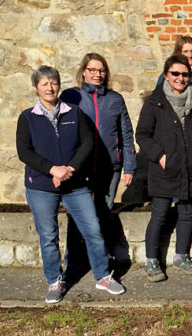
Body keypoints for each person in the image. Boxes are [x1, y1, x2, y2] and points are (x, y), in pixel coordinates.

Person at [16, 66, 125, 303]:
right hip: (41, 186)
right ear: (36, 88)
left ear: (59, 85)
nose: (50, 87)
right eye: (44, 84)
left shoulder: (74, 113)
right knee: (48, 235)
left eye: (53, 82)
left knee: (93, 230)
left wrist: (69, 169)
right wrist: (52, 169)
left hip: (75, 184)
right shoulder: (27, 117)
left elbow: (88, 143)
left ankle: (103, 275)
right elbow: (24, 151)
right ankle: (55, 280)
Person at [136, 54, 192, 282]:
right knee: (160, 215)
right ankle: (152, 260)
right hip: (165, 169)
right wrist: (160, 156)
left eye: (184, 74)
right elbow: (142, 135)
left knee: (188, 213)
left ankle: (181, 255)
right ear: (166, 75)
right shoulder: (155, 102)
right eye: (175, 74)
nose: (180, 78)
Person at [60, 53, 136, 273]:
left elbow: (126, 134)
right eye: (92, 70)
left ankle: (102, 260)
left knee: (103, 214)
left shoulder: (115, 99)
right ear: (83, 71)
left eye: (101, 70)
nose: (97, 74)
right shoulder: (71, 97)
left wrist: (129, 166)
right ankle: (74, 261)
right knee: (77, 215)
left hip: (109, 167)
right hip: (79, 167)